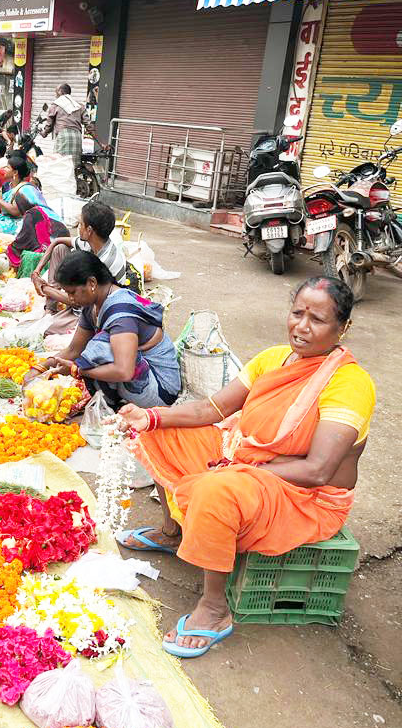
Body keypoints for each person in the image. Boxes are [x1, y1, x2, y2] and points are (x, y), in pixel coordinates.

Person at [119, 276, 375, 659]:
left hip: (304, 496)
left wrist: (234, 473)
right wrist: (151, 417)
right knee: (161, 433)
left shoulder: (350, 384)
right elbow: (211, 410)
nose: (301, 327)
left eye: (317, 320)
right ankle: (174, 532)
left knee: (215, 488)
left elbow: (318, 470)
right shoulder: (273, 359)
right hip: (252, 464)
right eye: (297, 313)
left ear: (344, 328)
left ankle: (214, 608)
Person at [39, 251, 179, 413]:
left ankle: (114, 400)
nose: (69, 299)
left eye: (72, 292)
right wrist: (39, 369)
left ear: (92, 283)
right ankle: (113, 397)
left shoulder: (121, 314)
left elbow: (124, 371)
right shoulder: (92, 306)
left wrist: (77, 370)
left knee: (101, 345)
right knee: (94, 349)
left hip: (160, 391)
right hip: (140, 379)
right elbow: (73, 350)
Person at [31, 200, 132, 333]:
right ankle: (50, 309)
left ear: (89, 230)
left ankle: (64, 319)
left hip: (93, 314)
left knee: (41, 329)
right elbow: (57, 241)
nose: (78, 227)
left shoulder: (105, 262)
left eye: (81, 224)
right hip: (82, 301)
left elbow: (78, 301)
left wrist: (44, 288)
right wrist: (37, 272)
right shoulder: (92, 243)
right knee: (60, 249)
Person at [0, 151, 67, 265]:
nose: (4, 170)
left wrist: (8, 253)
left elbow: (16, 214)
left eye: (7, 167)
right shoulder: (10, 188)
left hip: (48, 233)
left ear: (15, 172)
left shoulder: (25, 194)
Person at [41, 83, 103, 168]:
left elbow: (49, 125)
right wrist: (101, 143)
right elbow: (89, 126)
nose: (55, 95)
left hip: (63, 138)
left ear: (60, 92)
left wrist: (44, 133)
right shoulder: (79, 105)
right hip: (77, 137)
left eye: (56, 92)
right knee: (73, 165)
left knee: (59, 164)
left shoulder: (55, 105)